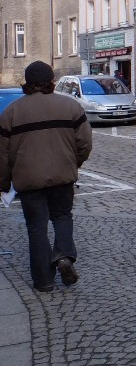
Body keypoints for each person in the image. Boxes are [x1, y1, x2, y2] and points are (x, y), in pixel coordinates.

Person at [0, 61, 92, 292]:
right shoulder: (70, 106)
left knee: (36, 228)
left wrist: (3, 181)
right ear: (52, 81)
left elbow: (2, 153)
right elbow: (85, 143)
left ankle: (44, 281)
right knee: (62, 217)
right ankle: (63, 256)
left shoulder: (11, 111)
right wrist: (74, 163)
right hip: (62, 175)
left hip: (28, 180)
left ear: (27, 84)